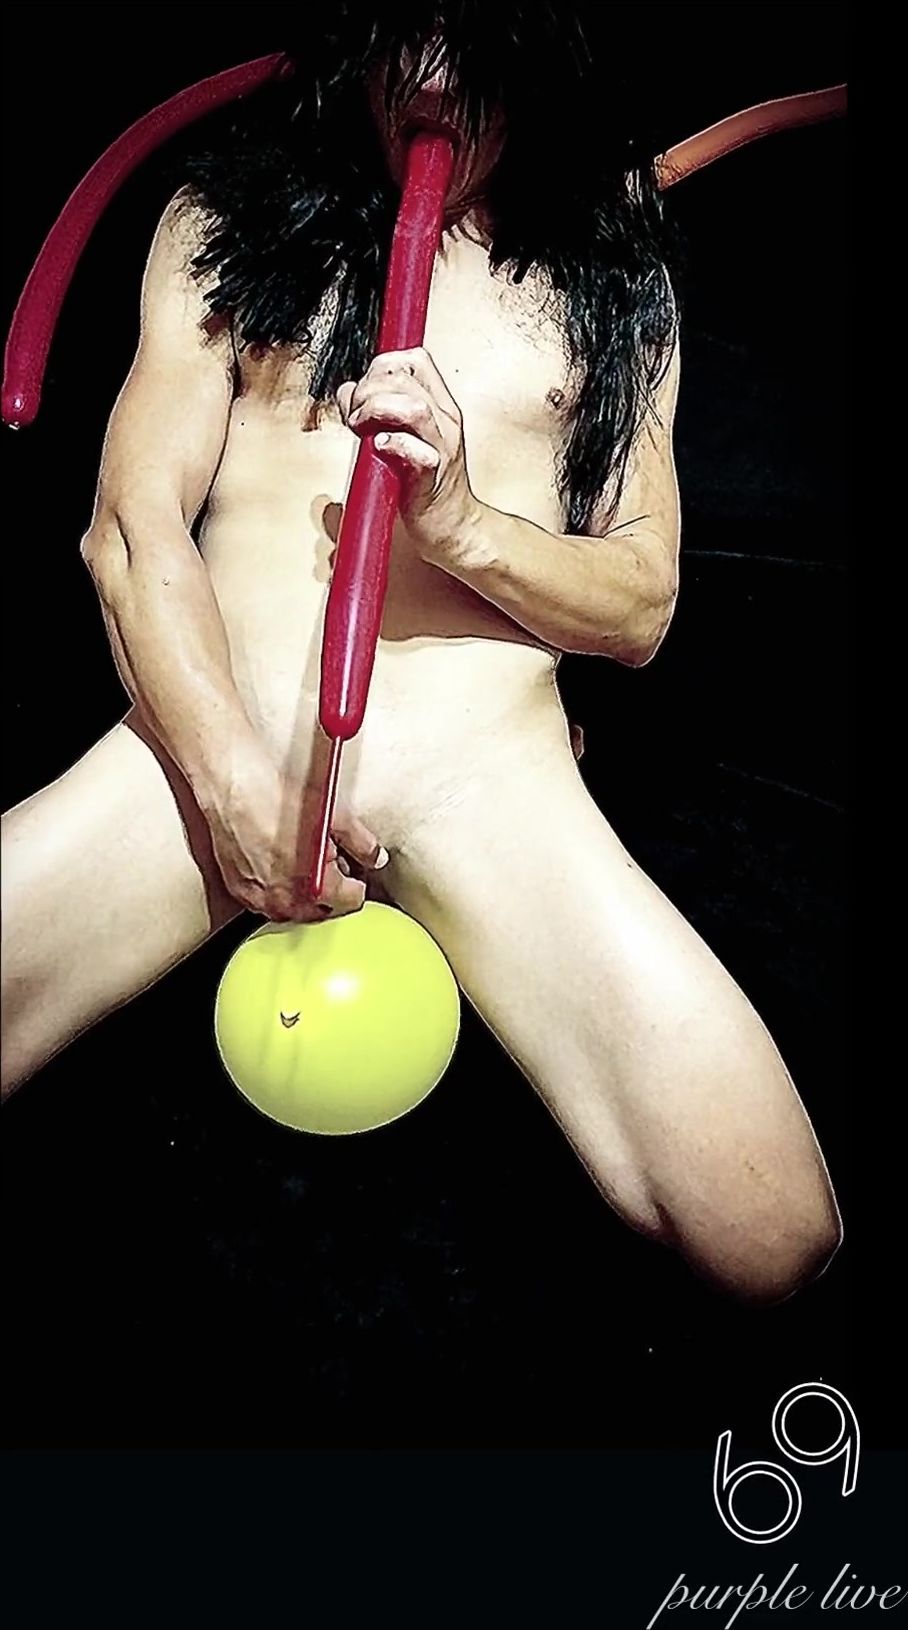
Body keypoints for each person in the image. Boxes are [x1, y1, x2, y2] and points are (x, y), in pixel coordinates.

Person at [0, 4, 841, 1301]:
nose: (433, 80)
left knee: (769, 1229)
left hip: (484, 775)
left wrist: (461, 525)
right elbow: (130, 530)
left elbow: (638, 607)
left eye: (475, 41)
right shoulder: (224, 218)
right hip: (213, 744)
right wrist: (234, 787)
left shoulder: (613, 276)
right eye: (403, 32)